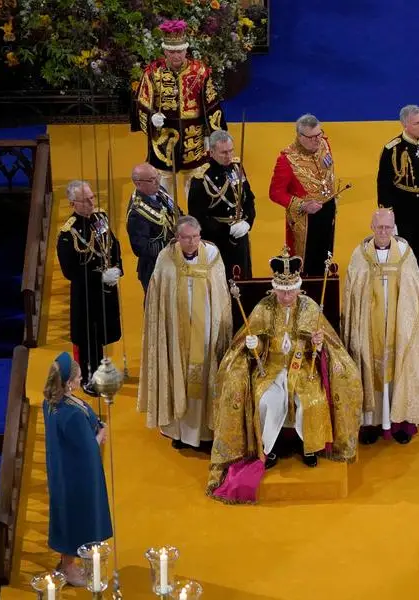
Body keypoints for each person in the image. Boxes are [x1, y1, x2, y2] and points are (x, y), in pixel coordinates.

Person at [207, 249, 362, 504]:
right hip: (270, 369)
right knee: (268, 400)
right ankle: (271, 447)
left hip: (304, 370)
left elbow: (328, 345)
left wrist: (318, 344)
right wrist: (253, 344)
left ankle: (309, 447)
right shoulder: (264, 308)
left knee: (311, 401)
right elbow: (251, 347)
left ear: (299, 289)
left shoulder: (310, 307)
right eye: (282, 291)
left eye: (291, 291)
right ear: (275, 289)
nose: (287, 297)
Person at [341, 208, 419, 445]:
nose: (383, 232)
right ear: (372, 227)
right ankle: (371, 422)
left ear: (394, 228)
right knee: (369, 366)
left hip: (398, 326)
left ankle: (401, 422)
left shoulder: (405, 254)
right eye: (379, 227)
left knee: (400, 364)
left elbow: (414, 290)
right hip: (370, 329)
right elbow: (353, 294)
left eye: (388, 227)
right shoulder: (360, 255)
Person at [137, 216, 233, 451]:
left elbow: (221, 293)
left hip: (207, 329)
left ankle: (205, 432)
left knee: (205, 375)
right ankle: (178, 431)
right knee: (177, 373)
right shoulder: (166, 258)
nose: (191, 242)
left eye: (195, 236)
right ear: (177, 238)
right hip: (175, 332)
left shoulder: (212, 255)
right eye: (186, 238)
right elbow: (158, 298)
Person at [131, 19, 226, 200]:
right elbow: (142, 102)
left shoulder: (200, 71)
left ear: (186, 50)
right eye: (172, 52)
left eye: (181, 51)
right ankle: (167, 218)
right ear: (165, 51)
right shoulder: (152, 73)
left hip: (194, 137)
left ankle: (195, 222)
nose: (177, 56)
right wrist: (151, 117)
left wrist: (211, 136)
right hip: (164, 137)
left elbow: (212, 104)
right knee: (162, 184)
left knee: (197, 183)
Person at [42, 352, 112, 586]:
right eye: (79, 377)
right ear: (69, 383)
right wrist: (101, 434)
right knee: (77, 519)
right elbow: (88, 449)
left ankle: (67, 562)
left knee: (67, 515)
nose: (82, 381)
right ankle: (69, 567)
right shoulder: (70, 414)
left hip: (62, 470)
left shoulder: (51, 401)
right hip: (77, 475)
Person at [377, 104, 419, 320]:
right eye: (417, 123)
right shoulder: (392, 149)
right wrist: (389, 217)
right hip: (405, 211)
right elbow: (384, 185)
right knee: (404, 258)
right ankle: (402, 303)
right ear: (405, 124)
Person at [56, 180, 123, 393]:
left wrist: (117, 268)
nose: (91, 203)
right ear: (73, 203)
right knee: (88, 338)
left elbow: (114, 245)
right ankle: (88, 377)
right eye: (85, 200)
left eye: (92, 197)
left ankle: (102, 369)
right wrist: (99, 278)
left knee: (105, 332)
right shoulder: (68, 234)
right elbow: (70, 271)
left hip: (106, 289)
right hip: (86, 294)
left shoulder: (100, 218)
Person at [268, 114, 340, 276]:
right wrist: (302, 204)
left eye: (319, 134)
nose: (317, 140)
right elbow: (275, 193)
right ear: (300, 136)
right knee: (306, 262)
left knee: (325, 253)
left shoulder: (324, 143)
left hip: (327, 210)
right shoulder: (286, 160)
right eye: (312, 137)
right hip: (305, 219)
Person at [188, 130, 256, 281]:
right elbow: (197, 216)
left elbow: (248, 198)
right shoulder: (201, 178)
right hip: (217, 241)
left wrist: (248, 222)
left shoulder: (236, 167)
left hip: (241, 235)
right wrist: (226, 229)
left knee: (243, 278)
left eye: (231, 151)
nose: (229, 156)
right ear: (211, 152)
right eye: (223, 152)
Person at [126, 163, 180, 294]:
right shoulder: (137, 212)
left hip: (174, 262)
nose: (157, 182)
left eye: (158, 177)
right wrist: (173, 246)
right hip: (154, 268)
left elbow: (176, 213)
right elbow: (141, 248)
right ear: (138, 184)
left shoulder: (160, 191)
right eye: (152, 180)